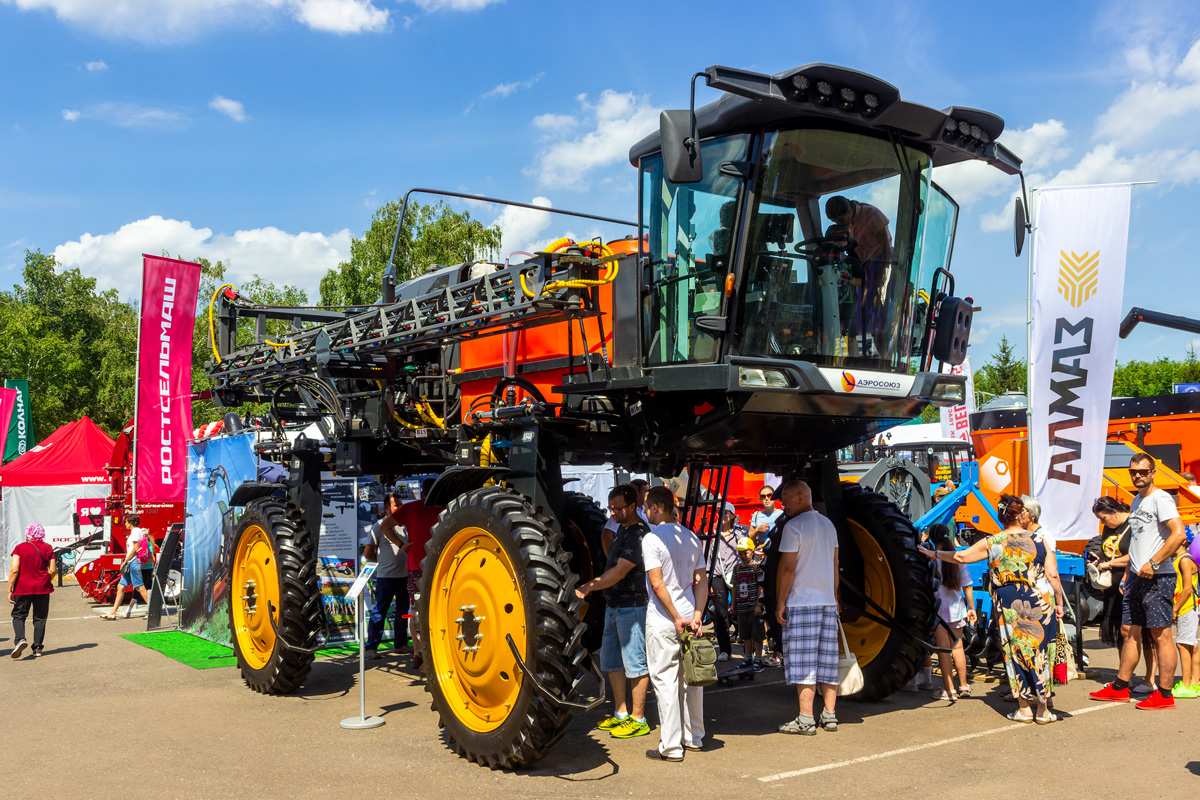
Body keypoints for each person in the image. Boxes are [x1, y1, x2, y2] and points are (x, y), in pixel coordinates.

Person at [921, 494, 1064, 724]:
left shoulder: (994, 541)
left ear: (1001, 516)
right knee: (1039, 653)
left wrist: (933, 553)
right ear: (1021, 514)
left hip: (1009, 602)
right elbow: (1052, 574)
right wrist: (1059, 602)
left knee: (1015, 653)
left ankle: (1025, 709)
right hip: (1039, 600)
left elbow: (961, 556)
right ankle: (1044, 710)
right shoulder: (1039, 540)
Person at [1091, 453, 1188, 709]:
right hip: (1136, 577)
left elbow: (1178, 534)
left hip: (1158, 577)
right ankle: (1121, 687)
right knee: (1128, 631)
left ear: (1153, 472)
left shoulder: (1161, 498)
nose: (1138, 476)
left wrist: (1153, 562)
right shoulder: (1136, 500)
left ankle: (1164, 694)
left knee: (1161, 634)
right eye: (1134, 472)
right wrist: (1128, 572)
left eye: (1143, 472)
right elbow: (1137, 541)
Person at [576, 484, 652, 739]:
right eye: (611, 509)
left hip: (632, 607)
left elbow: (620, 571)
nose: (613, 513)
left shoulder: (638, 534)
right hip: (615, 606)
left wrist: (591, 585)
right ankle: (621, 713)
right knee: (612, 662)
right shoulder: (621, 529)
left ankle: (638, 718)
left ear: (632, 506)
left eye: (618, 509)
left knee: (636, 664)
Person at [641, 485, 707, 762]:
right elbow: (701, 581)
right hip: (689, 614)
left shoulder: (652, 539)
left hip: (663, 619)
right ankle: (694, 737)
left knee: (665, 681)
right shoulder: (692, 538)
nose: (645, 513)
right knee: (692, 680)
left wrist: (674, 617)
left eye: (646, 508)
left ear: (656, 508)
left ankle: (670, 746)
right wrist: (697, 614)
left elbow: (657, 584)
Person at [775, 480, 841, 735]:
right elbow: (835, 564)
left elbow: (788, 568)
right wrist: (834, 597)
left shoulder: (793, 527)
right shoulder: (828, 524)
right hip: (826, 601)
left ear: (801, 498)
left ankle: (805, 719)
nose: (784, 504)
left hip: (802, 602)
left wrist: (781, 601)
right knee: (827, 661)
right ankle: (830, 715)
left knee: (804, 664)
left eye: (787, 499)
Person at [1089, 496, 1158, 689]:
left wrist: (1109, 563)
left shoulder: (1133, 523)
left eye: (1104, 518)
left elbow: (1137, 553)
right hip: (1113, 584)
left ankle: (1149, 679)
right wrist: (1098, 558)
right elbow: (1108, 550)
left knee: (1144, 634)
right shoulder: (1109, 528)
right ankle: (1124, 677)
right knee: (1123, 632)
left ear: (1114, 511)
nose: (1104, 523)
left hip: (1135, 581)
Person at [381, 477, 444, 669]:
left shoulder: (411, 508)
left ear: (422, 491)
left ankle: (417, 653)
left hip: (417, 566)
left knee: (415, 610)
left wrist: (402, 546)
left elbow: (385, 525)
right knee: (440, 608)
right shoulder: (447, 508)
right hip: (442, 565)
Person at [927, 523, 976, 700]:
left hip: (940, 610)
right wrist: (971, 608)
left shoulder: (931, 559)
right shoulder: (957, 558)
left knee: (943, 649)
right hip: (957, 609)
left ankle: (949, 690)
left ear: (932, 539)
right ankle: (963, 686)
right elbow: (967, 586)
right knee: (958, 647)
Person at [364, 492, 408, 659]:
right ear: (387, 508)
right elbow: (368, 553)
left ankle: (401, 644)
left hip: (404, 576)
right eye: (397, 504)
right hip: (386, 577)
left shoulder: (405, 526)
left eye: (401, 503)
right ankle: (371, 648)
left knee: (402, 612)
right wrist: (383, 563)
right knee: (379, 612)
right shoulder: (378, 527)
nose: (400, 507)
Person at [8, 523, 56, 658]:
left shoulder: (19, 548)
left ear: (27, 534)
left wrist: (9, 589)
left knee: (19, 616)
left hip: (22, 588)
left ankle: (20, 640)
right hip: (42, 588)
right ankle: (38, 648)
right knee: (40, 618)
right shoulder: (48, 548)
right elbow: (52, 570)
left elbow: (14, 570)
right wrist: (45, 580)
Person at [709, 501, 745, 662]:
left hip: (736, 574)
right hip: (717, 575)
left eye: (726, 512)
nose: (722, 515)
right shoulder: (712, 533)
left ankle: (749, 647)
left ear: (732, 516)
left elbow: (746, 548)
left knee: (742, 609)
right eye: (719, 512)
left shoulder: (738, 533)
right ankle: (724, 649)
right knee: (720, 612)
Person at [101, 514, 154, 620]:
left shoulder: (135, 532)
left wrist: (125, 561)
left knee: (139, 587)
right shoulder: (139, 531)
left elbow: (135, 548)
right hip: (133, 562)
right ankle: (113, 612)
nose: (125, 524)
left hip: (133, 562)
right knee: (121, 586)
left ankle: (153, 611)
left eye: (126, 522)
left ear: (130, 522)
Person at [732, 536, 765, 667]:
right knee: (745, 635)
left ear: (752, 552)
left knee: (757, 634)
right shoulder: (737, 568)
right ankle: (748, 658)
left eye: (745, 552)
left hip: (753, 607)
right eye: (740, 552)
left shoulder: (756, 567)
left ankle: (758, 659)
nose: (743, 555)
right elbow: (734, 586)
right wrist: (733, 605)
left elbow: (760, 586)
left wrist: (758, 604)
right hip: (741, 607)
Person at [1172, 540, 1199, 698]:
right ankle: (1195, 682)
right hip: (1187, 607)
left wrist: (1175, 609)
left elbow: (1187, 588)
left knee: (1183, 644)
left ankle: (1187, 684)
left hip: (1187, 607)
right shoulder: (1179, 560)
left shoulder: (1184, 560)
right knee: (1192, 645)